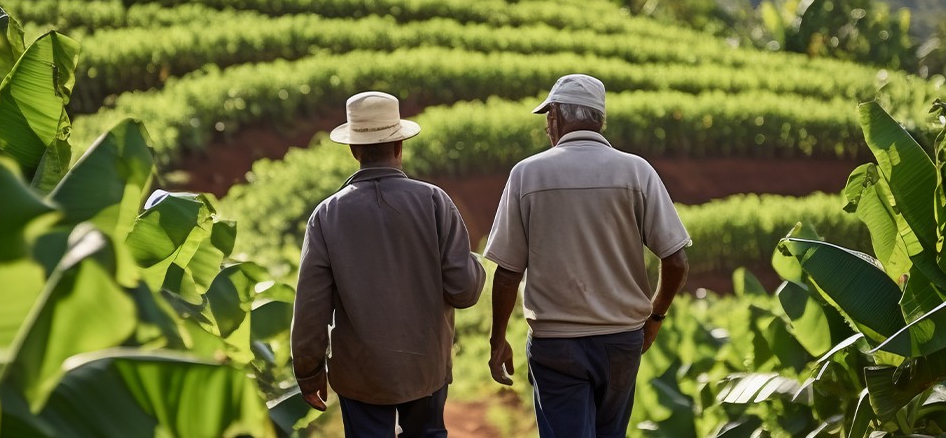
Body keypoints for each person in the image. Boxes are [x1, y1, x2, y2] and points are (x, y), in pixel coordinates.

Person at [484, 74, 691, 437]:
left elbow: (507, 273)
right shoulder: (637, 171)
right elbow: (676, 261)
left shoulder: (527, 175)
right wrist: (654, 317)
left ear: (555, 119)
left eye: (548, 117)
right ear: (600, 120)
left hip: (555, 344)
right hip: (621, 342)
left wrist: (497, 340)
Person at [291, 91, 486, 437]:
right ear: (399, 146)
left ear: (354, 150)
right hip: (426, 366)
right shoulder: (434, 202)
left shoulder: (327, 215)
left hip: (360, 373)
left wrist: (308, 371)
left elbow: (310, 307)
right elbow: (465, 291)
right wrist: (475, 264)